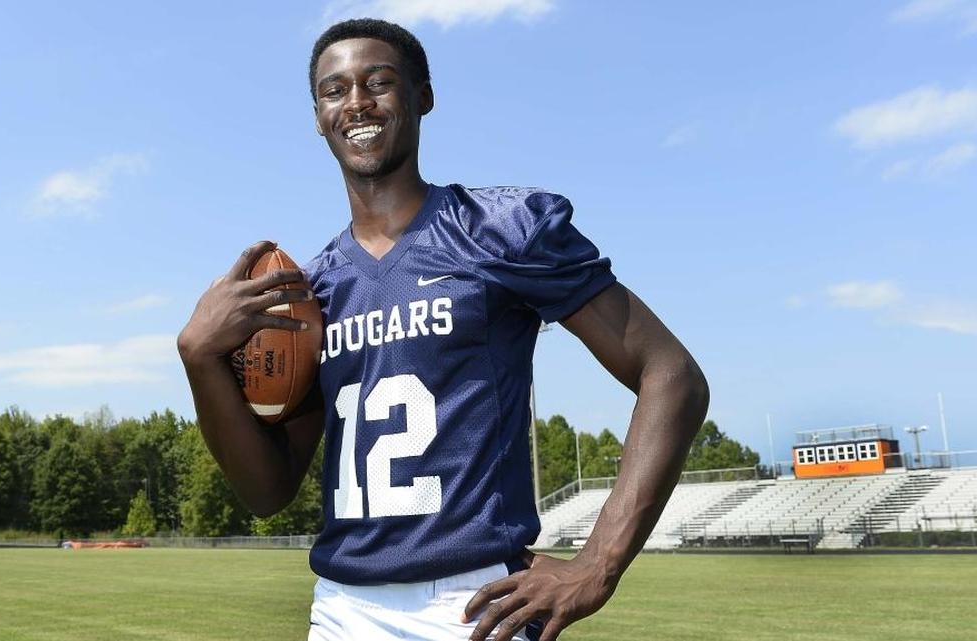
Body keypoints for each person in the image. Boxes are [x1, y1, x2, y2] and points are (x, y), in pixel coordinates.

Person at [177, 18, 709, 641]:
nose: (358, 103)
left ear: (423, 95)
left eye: (379, 82)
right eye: (335, 90)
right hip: (343, 608)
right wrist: (197, 357)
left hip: (475, 603)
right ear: (317, 117)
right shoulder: (310, 293)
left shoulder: (499, 229)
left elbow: (671, 375)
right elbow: (267, 491)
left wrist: (598, 565)